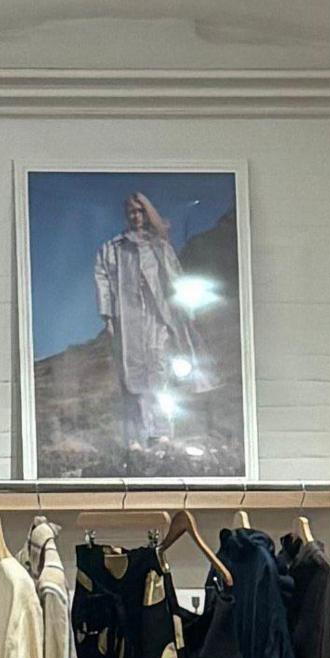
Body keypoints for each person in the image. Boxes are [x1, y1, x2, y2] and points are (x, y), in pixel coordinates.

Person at [92, 190, 204, 458]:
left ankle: (162, 434)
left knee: (159, 375)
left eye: (140, 210)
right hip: (128, 322)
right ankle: (135, 438)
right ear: (126, 214)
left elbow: (175, 277)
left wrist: (184, 310)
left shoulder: (159, 246)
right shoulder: (112, 249)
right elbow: (103, 281)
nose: (136, 216)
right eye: (132, 211)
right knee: (132, 380)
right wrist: (108, 316)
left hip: (157, 319)